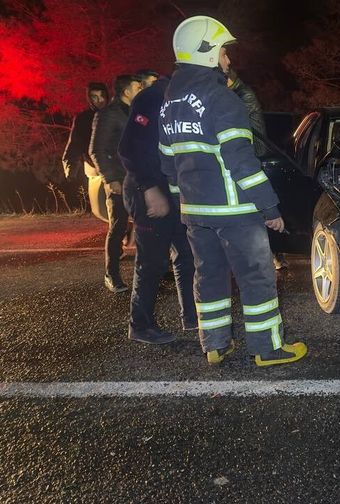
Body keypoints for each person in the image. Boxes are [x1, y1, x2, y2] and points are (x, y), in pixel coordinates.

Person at [160, 15, 307, 366]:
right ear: (208, 53)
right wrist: (270, 208)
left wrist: (182, 200)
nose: (228, 59)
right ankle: (268, 349)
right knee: (256, 275)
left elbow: (167, 161)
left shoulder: (169, 103)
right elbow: (241, 159)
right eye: (225, 52)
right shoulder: (222, 99)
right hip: (235, 211)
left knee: (208, 274)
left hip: (196, 211)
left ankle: (214, 345)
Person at [118, 72, 197, 344]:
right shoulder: (152, 98)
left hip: (171, 190)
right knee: (152, 261)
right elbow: (129, 148)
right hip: (146, 190)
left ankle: (192, 317)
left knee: (186, 254)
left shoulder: (181, 99)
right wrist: (150, 189)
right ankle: (140, 325)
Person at [90, 74, 142, 293]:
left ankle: (147, 271)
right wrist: (110, 179)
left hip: (138, 177)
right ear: (127, 91)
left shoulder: (136, 111)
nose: (141, 89)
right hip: (119, 179)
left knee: (145, 225)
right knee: (118, 226)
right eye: (137, 86)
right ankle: (111, 275)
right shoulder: (108, 114)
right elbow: (96, 150)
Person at [61, 82, 109, 209]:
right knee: (101, 206)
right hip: (94, 167)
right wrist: (70, 167)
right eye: (95, 97)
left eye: (102, 95)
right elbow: (75, 143)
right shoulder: (83, 119)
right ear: (89, 98)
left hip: (117, 166)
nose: (100, 100)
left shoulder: (116, 113)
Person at [226, 67, 269, 157]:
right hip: (247, 151)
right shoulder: (235, 93)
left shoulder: (245, 95)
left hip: (256, 152)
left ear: (228, 79)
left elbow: (231, 121)